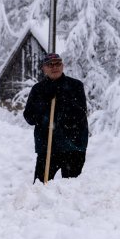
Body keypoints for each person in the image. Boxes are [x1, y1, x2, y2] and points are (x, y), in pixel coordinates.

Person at [23, 53, 89, 183]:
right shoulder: (38, 90)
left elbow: (80, 114)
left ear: (63, 66)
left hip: (73, 146)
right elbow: (29, 117)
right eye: (50, 65)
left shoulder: (75, 86)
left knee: (71, 188)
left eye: (58, 64)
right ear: (44, 68)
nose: (54, 67)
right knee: (41, 187)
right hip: (47, 146)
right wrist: (45, 103)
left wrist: (62, 99)